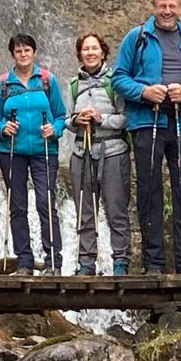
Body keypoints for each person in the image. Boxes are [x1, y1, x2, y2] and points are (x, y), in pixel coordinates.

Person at [111, 0, 181, 274]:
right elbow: (118, 77)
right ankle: (153, 263)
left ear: (180, 8)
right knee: (149, 191)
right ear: (153, 6)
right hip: (148, 122)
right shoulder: (137, 37)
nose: (167, 11)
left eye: (173, 6)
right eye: (162, 6)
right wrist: (144, 92)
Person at [0, 34, 67, 275]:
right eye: (18, 51)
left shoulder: (47, 80)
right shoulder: (3, 84)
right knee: (18, 205)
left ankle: (53, 260)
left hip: (44, 151)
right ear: (12, 54)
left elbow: (62, 116)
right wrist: (3, 128)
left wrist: (53, 129)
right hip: (12, 152)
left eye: (27, 50)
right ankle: (24, 260)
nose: (23, 54)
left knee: (46, 202)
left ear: (34, 52)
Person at [67, 31, 131, 275]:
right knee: (84, 210)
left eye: (94, 48)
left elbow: (126, 119)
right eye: (85, 49)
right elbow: (65, 119)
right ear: (80, 54)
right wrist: (76, 119)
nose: (90, 53)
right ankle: (86, 263)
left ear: (103, 52)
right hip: (81, 151)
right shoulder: (74, 84)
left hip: (112, 151)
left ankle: (121, 261)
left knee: (116, 209)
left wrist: (100, 118)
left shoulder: (116, 82)